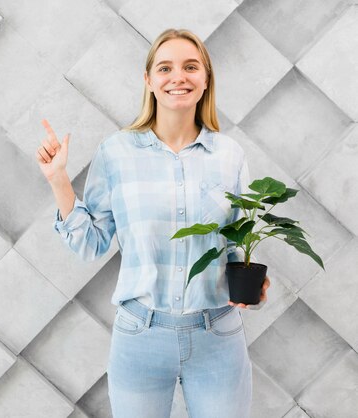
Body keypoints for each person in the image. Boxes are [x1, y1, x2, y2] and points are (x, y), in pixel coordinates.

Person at [35, 28, 271, 418]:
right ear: (148, 80)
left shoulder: (229, 155)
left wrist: (256, 286)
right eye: (165, 68)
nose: (178, 76)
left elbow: (239, 245)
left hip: (217, 335)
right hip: (139, 337)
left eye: (190, 66)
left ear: (206, 78)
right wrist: (59, 181)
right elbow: (89, 244)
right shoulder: (117, 152)